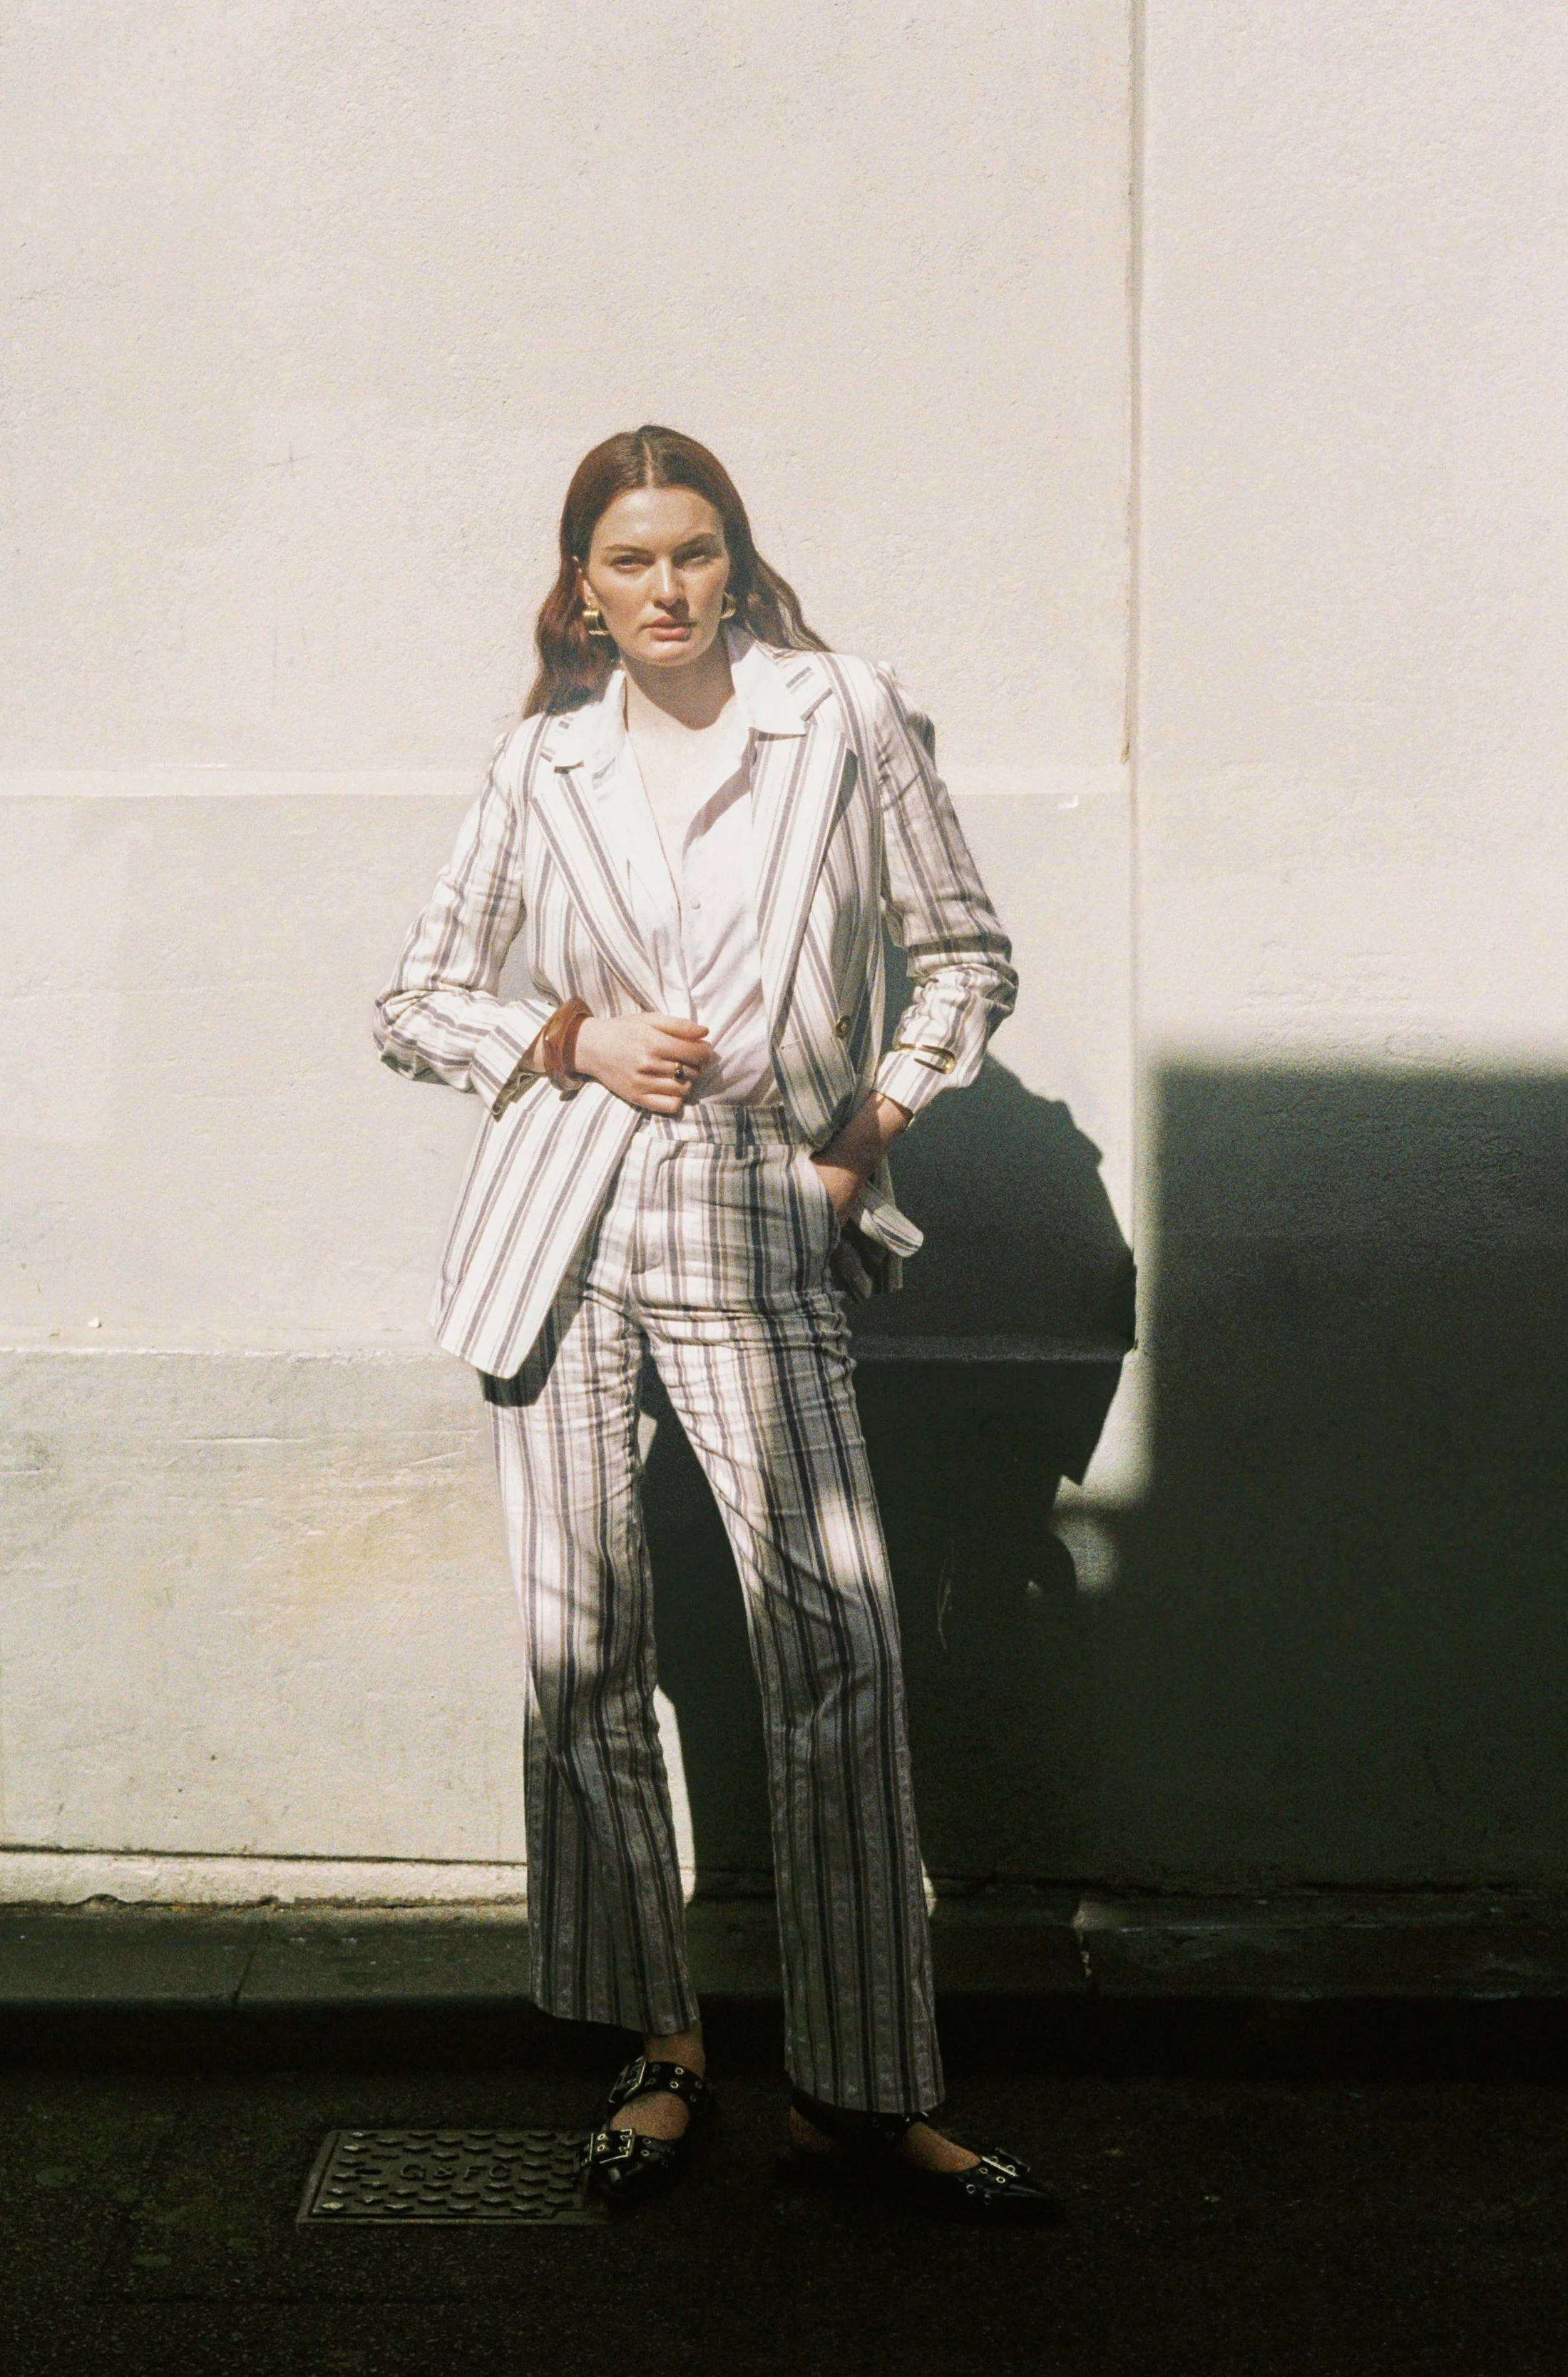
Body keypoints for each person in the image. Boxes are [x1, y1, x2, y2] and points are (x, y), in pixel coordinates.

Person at [375, 426, 1057, 2223]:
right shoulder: (547, 761)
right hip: (559, 1230)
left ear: (733, 564)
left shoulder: (838, 713)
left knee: (836, 1643)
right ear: (580, 588)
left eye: (693, 553)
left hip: (760, 1215)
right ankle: (657, 2048)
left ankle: (855, 2086)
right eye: (629, 561)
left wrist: (869, 1130)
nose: (666, 588)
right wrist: (559, 1038)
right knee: (582, 1657)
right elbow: (416, 995)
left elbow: (963, 953)